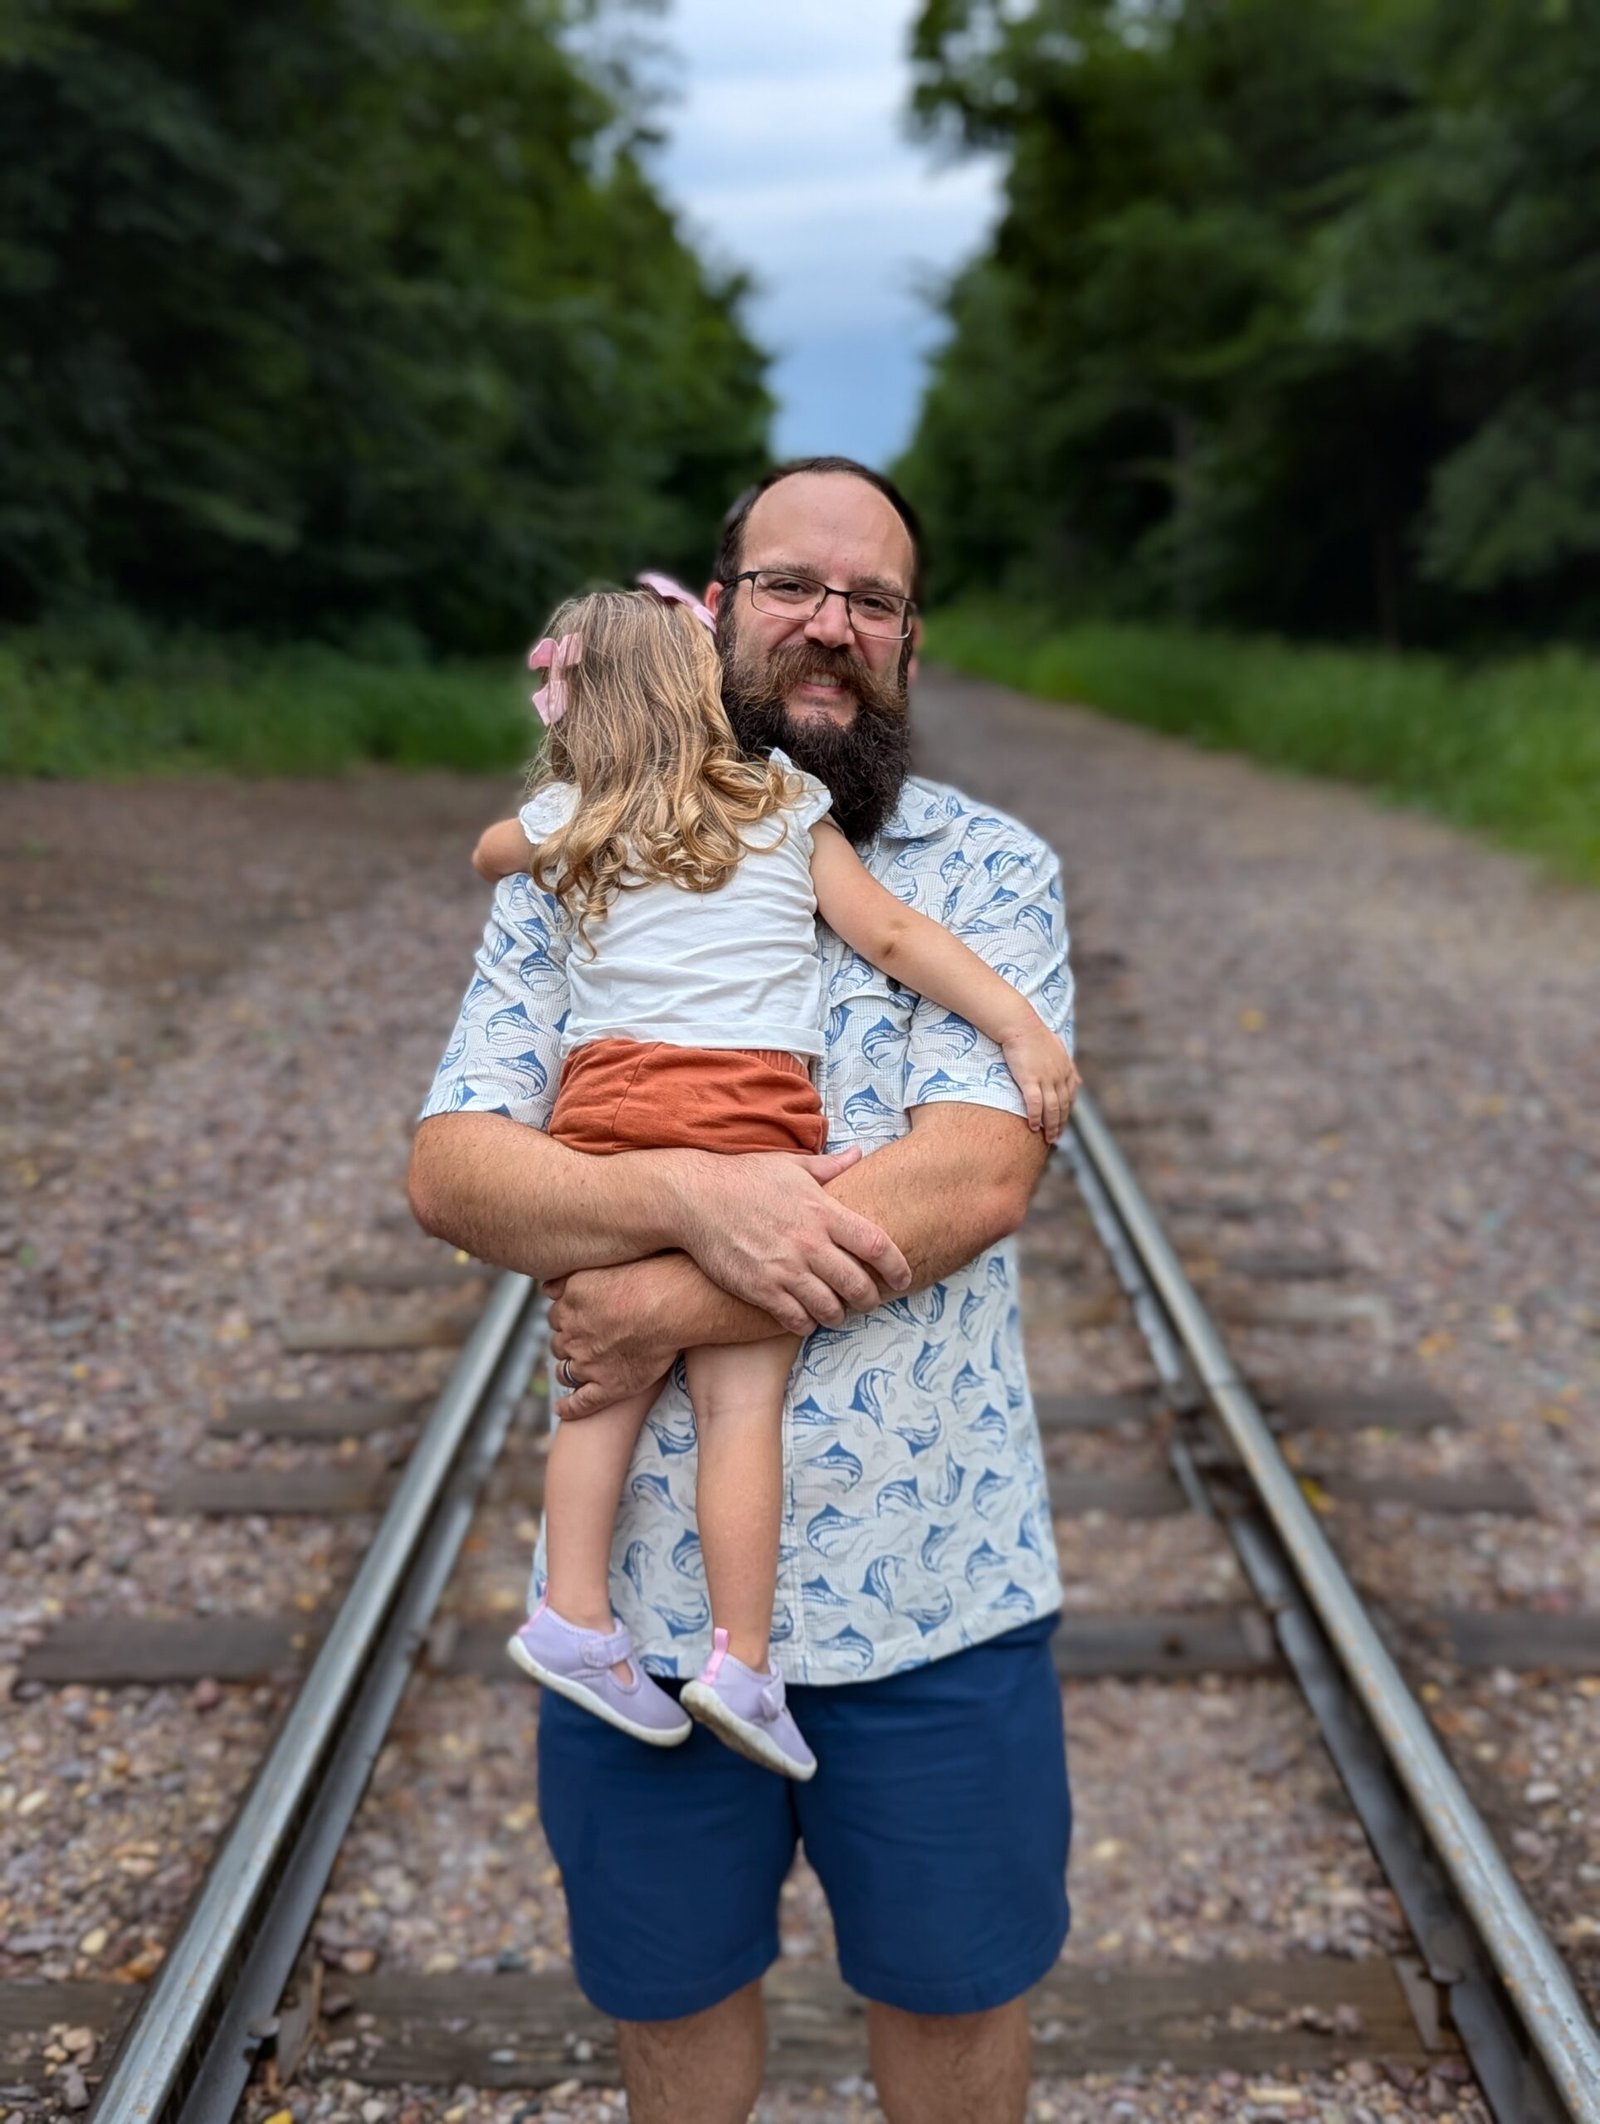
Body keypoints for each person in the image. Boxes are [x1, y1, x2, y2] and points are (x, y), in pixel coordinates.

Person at [410, 457, 1077, 2124]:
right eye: (792, 585)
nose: (828, 625)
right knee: (674, 2021)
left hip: (939, 1595)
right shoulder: (586, 853)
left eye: (870, 599)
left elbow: (973, 1177)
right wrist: (685, 1190)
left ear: (911, 637)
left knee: (953, 2021)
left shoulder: (981, 870)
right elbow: (457, 1168)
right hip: (639, 1625)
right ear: (716, 612)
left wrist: (652, 1301)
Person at [469, 583, 1073, 1781]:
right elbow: (894, 938)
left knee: (598, 1393)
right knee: (740, 1404)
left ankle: (574, 1615)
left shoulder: (574, 815)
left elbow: (492, 854)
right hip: (739, 1114)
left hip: (602, 1115)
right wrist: (1018, 1027)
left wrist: (576, 801)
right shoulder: (785, 806)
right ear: (710, 685)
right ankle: (743, 1661)